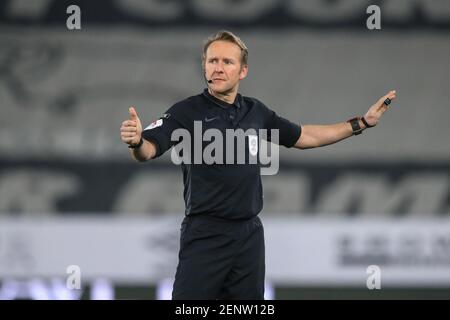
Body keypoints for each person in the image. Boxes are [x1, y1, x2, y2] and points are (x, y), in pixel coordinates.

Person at [120, 30, 396, 299]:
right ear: (204, 66)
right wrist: (136, 142)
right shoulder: (186, 111)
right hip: (205, 234)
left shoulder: (256, 112)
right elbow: (149, 150)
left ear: (243, 71)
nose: (218, 68)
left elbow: (305, 136)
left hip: (248, 236)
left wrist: (360, 123)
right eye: (212, 61)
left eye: (227, 62)